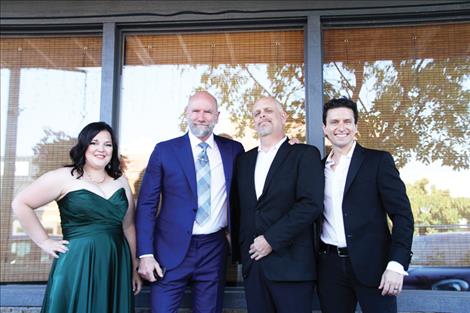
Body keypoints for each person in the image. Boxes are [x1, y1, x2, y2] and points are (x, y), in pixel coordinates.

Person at [12, 121, 142, 313]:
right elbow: (21, 203)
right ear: (84, 145)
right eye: (94, 143)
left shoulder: (121, 181)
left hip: (116, 262)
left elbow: (128, 227)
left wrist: (132, 267)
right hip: (78, 261)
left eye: (108, 144)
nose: (101, 149)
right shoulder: (64, 177)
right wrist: (44, 241)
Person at [136, 91, 244, 313]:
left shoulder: (234, 150)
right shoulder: (164, 150)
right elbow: (147, 205)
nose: (201, 117)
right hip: (169, 250)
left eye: (208, 111)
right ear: (186, 114)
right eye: (196, 110)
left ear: (217, 116)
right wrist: (145, 254)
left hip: (214, 249)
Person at [317, 97, 414, 313]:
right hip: (329, 268)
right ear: (325, 128)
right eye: (334, 122)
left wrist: (397, 264)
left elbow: (402, 216)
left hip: (376, 267)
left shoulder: (378, 161)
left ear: (355, 126)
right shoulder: (316, 168)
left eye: (346, 121)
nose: (341, 127)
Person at [230, 97, 324, 313]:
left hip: (292, 267)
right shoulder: (243, 161)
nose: (262, 115)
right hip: (254, 267)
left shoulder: (304, 154)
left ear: (283, 117)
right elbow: (240, 208)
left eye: (268, 110)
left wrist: (271, 239)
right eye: (257, 113)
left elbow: (310, 204)